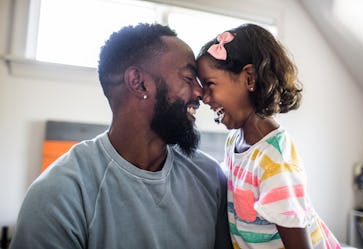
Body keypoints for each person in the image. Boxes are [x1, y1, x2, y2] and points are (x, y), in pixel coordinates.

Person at [10, 23, 233, 249]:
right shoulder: (58, 195)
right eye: (188, 78)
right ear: (138, 82)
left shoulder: (211, 178)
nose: (201, 93)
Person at [196, 23, 341, 249]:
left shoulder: (275, 160)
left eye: (209, 84)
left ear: (249, 79)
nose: (204, 98)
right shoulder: (234, 141)